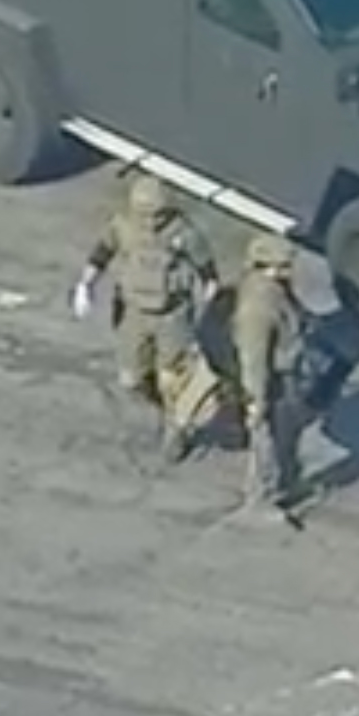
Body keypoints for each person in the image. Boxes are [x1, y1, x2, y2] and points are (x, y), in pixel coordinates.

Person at [77, 172, 215, 460]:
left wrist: (207, 307)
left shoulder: (182, 232)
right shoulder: (123, 227)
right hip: (134, 313)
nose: (152, 221)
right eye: (146, 214)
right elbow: (101, 253)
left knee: (173, 378)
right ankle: (161, 403)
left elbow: (207, 271)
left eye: (158, 214)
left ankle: (175, 426)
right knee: (131, 379)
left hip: (172, 315)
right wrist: (85, 285)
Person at [231, 233, 309, 511]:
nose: (289, 270)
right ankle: (261, 500)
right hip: (272, 382)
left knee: (287, 435)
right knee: (266, 443)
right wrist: (257, 402)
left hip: (287, 375)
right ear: (264, 266)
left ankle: (285, 484)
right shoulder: (257, 307)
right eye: (283, 265)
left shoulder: (274, 288)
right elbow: (254, 359)